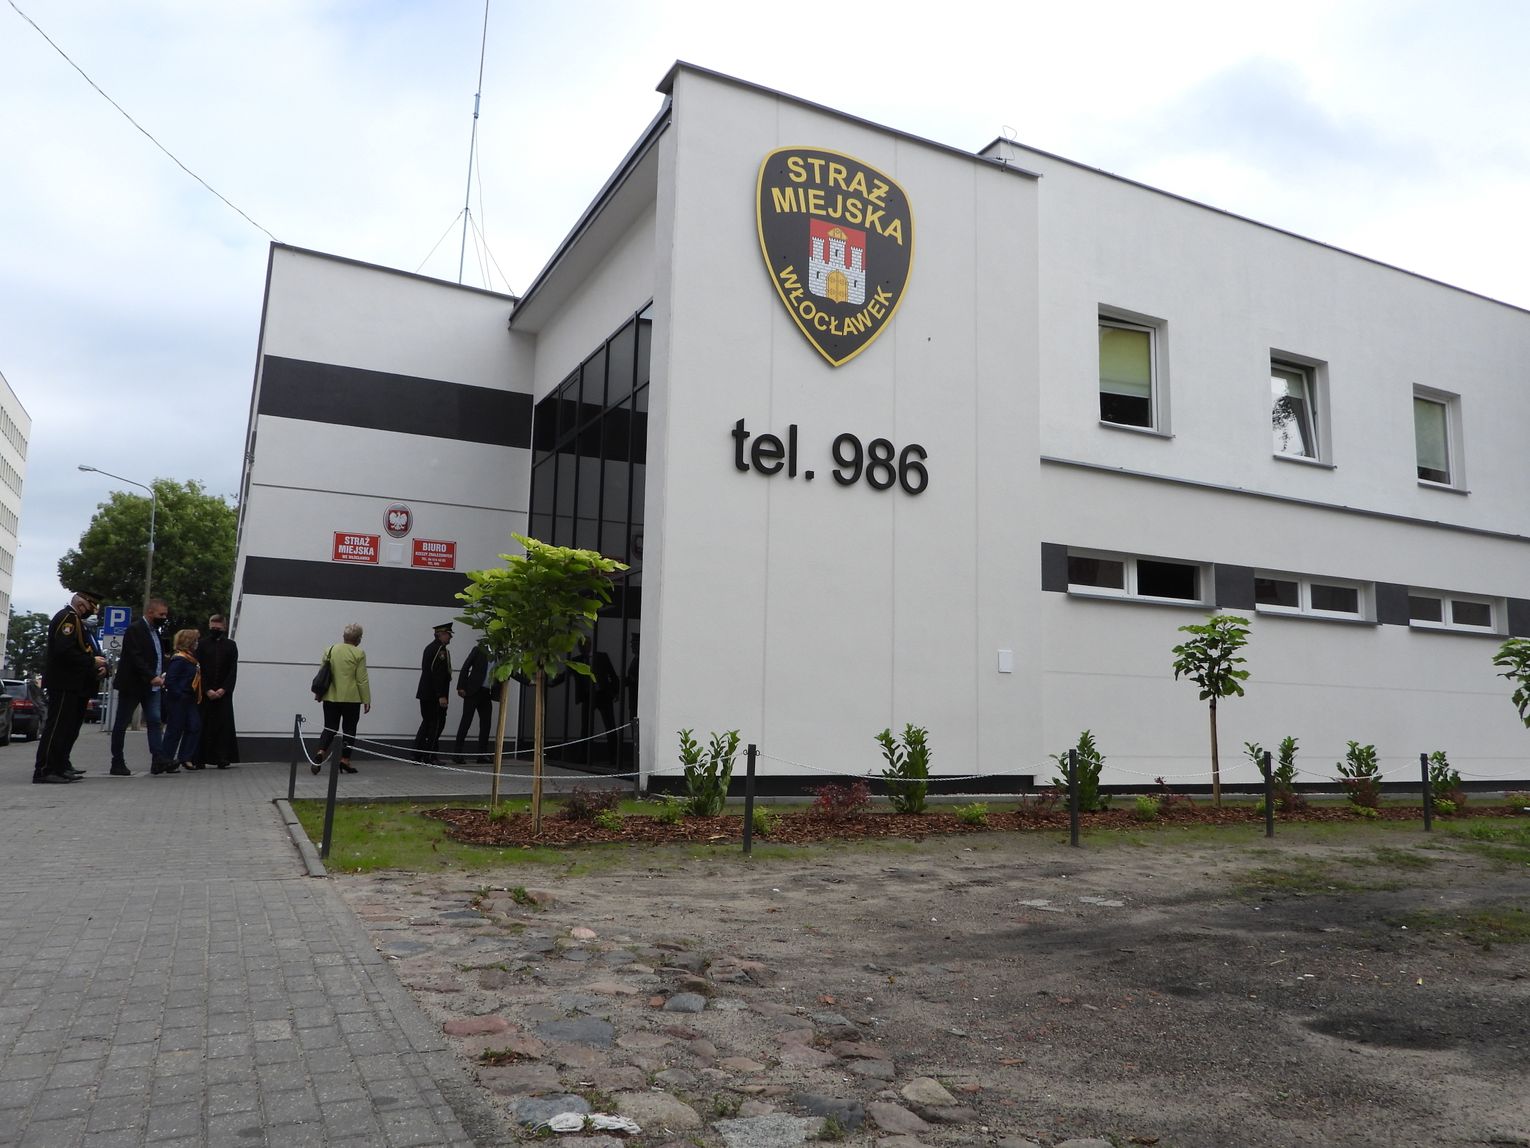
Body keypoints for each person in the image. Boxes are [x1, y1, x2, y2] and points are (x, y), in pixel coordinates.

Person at [33, 590, 109, 784]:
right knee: (57, 727)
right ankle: (45, 770)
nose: (92, 612)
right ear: (82, 604)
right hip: (64, 682)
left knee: (66, 729)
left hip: (73, 683)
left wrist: (97, 666)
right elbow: (63, 651)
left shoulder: (75, 620)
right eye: (91, 607)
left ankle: (59, 766)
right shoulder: (68, 618)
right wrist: (91, 661)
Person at [110, 597, 171, 776]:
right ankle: (117, 761)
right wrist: (151, 676)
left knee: (154, 721)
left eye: (165, 615)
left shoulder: (156, 632)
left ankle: (158, 760)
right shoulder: (135, 629)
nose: (164, 618)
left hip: (152, 687)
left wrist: (162, 673)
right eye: (161, 614)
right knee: (122, 722)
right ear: (150, 612)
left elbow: (157, 656)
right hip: (133, 685)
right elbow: (135, 656)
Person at [312, 622, 370, 774]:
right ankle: (344, 760)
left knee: (329, 727)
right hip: (351, 698)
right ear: (358, 639)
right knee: (349, 730)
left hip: (330, 697)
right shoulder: (359, 653)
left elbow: (322, 674)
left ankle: (320, 753)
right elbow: (362, 679)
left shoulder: (330, 650)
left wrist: (319, 693)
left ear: (344, 636)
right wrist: (366, 699)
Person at [193, 613, 239, 769]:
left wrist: (223, 689)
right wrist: (206, 689)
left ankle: (222, 757)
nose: (215, 630)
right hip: (205, 693)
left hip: (223, 693)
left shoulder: (231, 646)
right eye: (212, 627)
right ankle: (200, 758)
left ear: (224, 628)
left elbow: (232, 670)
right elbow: (198, 670)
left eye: (218, 628)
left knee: (223, 725)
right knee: (203, 725)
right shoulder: (202, 645)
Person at [159, 629, 203, 771]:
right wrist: (179, 694)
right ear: (189, 642)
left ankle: (186, 757)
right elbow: (170, 680)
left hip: (189, 699)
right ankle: (166, 760)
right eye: (195, 641)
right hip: (178, 699)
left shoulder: (191, 659)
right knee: (174, 729)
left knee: (194, 726)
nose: (197, 643)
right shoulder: (179, 659)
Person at [452, 640, 499, 764]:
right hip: (472, 691)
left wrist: (528, 682)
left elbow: (509, 671)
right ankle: (457, 753)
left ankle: (482, 755)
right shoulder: (479, 649)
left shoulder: (499, 654)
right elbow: (466, 666)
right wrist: (461, 686)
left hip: (486, 692)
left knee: (486, 724)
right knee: (466, 722)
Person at [413, 621, 453, 762]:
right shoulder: (440, 650)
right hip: (434, 695)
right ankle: (429, 755)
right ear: (440, 634)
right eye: (448, 634)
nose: (450, 637)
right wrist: (441, 695)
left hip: (426, 693)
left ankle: (417, 753)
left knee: (427, 723)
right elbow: (438, 674)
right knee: (435, 725)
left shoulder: (430, 648)